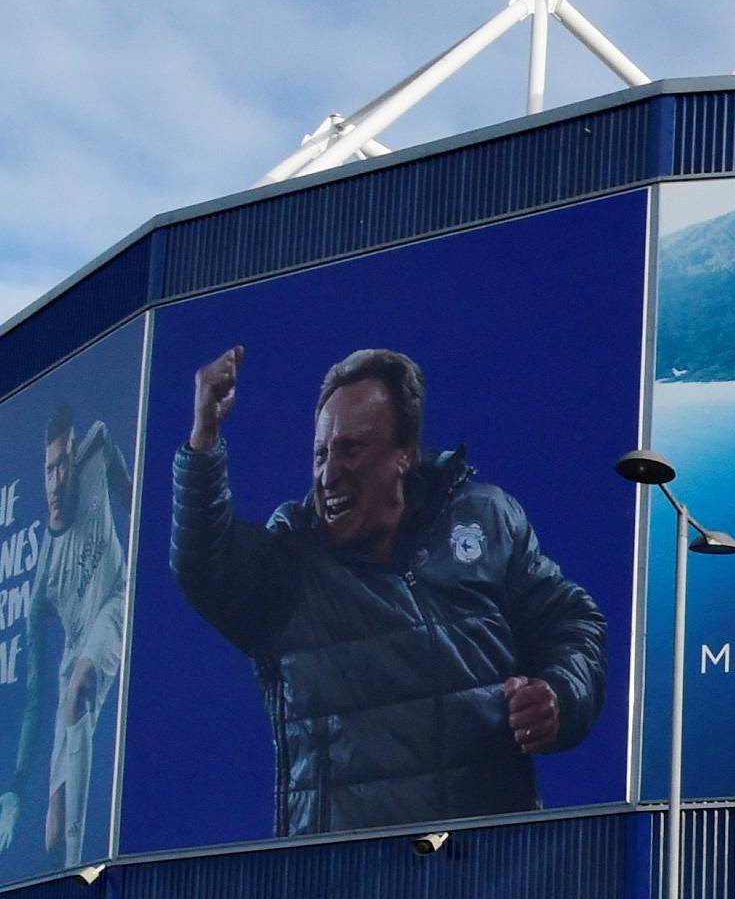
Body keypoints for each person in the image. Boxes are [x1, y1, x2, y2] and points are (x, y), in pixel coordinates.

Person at [172, 346, 607, 836]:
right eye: (320, 453)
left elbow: (573, 626)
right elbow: (204, 566)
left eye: (351, 449)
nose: (329, 474)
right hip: (342, 889)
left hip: (490, 879)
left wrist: (559, 696)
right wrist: (204, 442)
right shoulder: (291, 561)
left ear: (404, 454)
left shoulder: (486, 520)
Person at [0, 403, 130, 868]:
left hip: (116, 602)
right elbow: (35, 696)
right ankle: (67, 869)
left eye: (64, 466)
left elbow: (127, 490)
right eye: (49, 470)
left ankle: (84, 871)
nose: (58, 482)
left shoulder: (96, 446)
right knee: (50, 833)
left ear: (75, 460)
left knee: (80, 687)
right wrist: (15, 788)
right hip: (74, 649)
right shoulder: (42, 583)